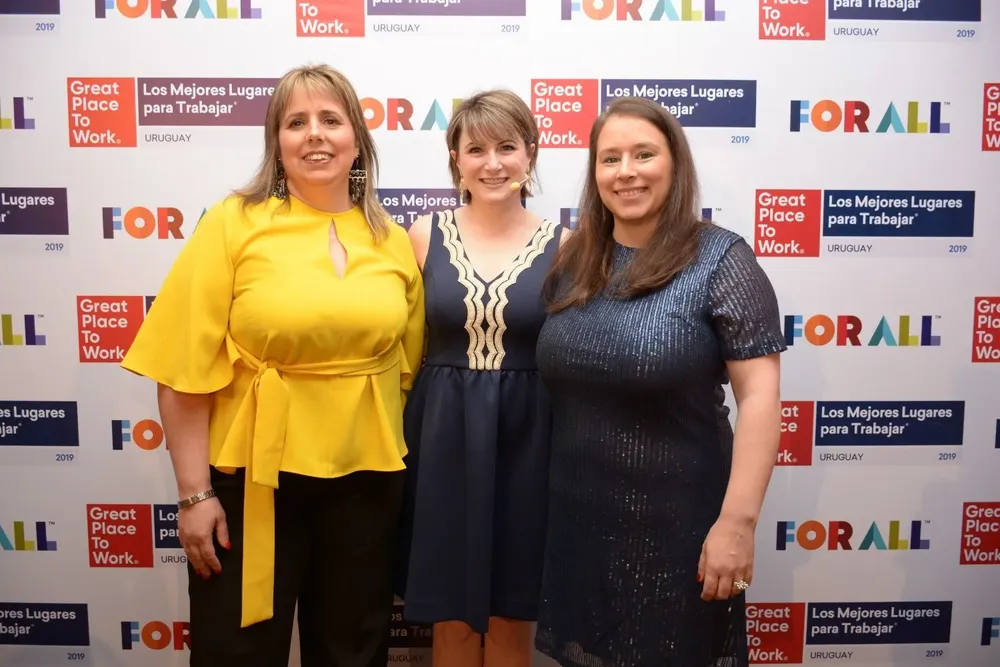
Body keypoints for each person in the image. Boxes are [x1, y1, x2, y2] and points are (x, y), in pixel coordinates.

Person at [119, 64, 425, 667]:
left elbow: (405, 370)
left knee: (353, 653)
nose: (314, 134)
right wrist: (193, 495)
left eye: (330, 120)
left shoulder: (391, 239)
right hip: (250, 480)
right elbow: (183, 366)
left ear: (357, 139)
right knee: (235, 651)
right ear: (276, 142)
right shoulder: (233, 222)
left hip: (366, 483)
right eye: (296, 122)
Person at [533, 97, 786, 667]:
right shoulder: (575, 259)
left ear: (674, 165)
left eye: (643, 154)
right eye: (610, 158)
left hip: (680, 533)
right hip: (580, 525)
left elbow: (760, 397)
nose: (626, 171)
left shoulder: (721, 260)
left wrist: (737, 524)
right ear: (594, 172)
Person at [394, 89, 565, 667]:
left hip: (528, 441)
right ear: (456, 159)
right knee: (452, 619)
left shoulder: (568, 245)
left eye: (508, 147)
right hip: (440, 438)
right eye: (476, 149)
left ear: (531, 154)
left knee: (512, 618)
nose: (493, 163)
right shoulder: (421, 236)